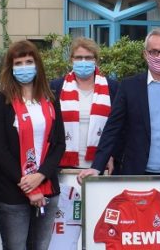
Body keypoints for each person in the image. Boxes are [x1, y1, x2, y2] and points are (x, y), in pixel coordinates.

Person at [77, 27, 160, 182]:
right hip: (136, 173)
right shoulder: (129, 87)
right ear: (146, 54)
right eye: (154, 52)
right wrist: (97, 167)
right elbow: (113, 129)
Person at [0, 40, 66, 250]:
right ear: (10, 68)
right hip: (12, 191)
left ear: (37, 65)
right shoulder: (1, 102)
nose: (24, 67)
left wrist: (40, 176)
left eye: (28, 62)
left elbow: (59, 144)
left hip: (47, 188)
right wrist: (27, 184)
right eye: (18, 63)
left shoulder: (51, 99)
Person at [50, 37, 118, 171]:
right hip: (64, 166)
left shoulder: (112, 88)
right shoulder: (56, 87)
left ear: (96, 60)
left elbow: (118, 128)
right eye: (79, 57)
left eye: (88, 58)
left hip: (100, 166)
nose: (83, 61)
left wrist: (112, 155)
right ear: (71, 60)